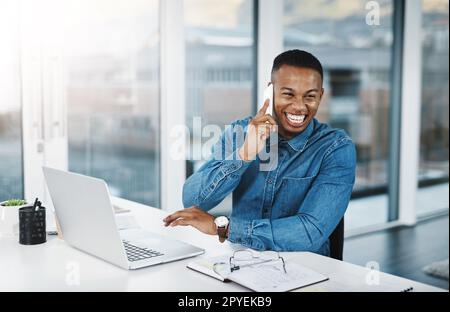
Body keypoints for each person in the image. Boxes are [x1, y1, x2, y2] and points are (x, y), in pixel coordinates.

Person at [163, 49, 356, 256]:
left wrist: (223, 228)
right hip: (242, 261)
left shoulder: (335, 148)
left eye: (310, 97)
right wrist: (245, 154)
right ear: (270, 92)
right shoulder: (240, 132)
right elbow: (193, 201)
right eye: (288, 94)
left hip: (306, 270)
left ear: (321, 96)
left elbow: (310, 232)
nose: (300, 107)